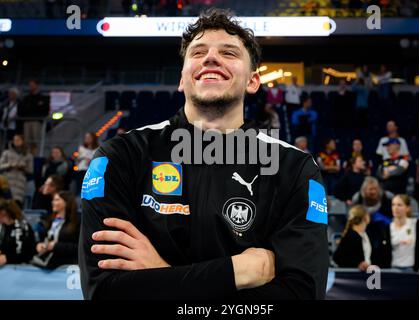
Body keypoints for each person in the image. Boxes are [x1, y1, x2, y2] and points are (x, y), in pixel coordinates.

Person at [79, 8, 329, 300]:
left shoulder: (293, 168)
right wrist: (236, 271)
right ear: (182, 79)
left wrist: (161, 272)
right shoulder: (121, 156)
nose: (211, 58)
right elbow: (104, 292)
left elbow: (302, 294)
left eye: (229, 53)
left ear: (252, 81)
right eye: (198, 52)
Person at [377, 194, 419, 274]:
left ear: (407, 208)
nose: (395, 208)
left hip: (413, 270)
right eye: (393, 205)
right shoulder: (386, 229)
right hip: (392, 270)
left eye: (399, 205)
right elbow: (381, 253)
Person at [32, 191, 79, 268]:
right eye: (53, 200)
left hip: (67, 264)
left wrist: (56, 246)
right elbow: (45, 239)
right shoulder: (51, 220)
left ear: (66, 202)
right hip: (49, 262)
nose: (53, 202)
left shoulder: (77, 221)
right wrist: (40, 245)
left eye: (57, 200)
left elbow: (78, 247)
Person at [333, 205, 373, 271]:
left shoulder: (366, 234)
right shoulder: (350, 236)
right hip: (356, 275)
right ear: (364, 217)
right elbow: (338, 258)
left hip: (368, 274)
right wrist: (357, 264)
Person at [0, 134, 34, 207]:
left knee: (16, 207)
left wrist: (23, 167)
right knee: (4, 205)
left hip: (20, 184)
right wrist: (9, 165)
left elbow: (31, 171)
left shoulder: (28, 155)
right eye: (15, 140)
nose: (16, 141)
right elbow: (0, 166)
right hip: (7, 182)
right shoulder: (6, 153)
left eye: (18, 140)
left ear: (23, 141)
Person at [0, 198, 36, 266]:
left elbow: (28, 253)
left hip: (21, 267)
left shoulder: (23, 227)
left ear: (5, 213)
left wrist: (8, 258)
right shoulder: (2, 227)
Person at [17, 79, 49, 153]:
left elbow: (44, 109)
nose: (31, 87)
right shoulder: (26, 98)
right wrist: (35, 106)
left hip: (37, 121)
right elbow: (22, 109)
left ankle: (37, 156)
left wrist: (32, 107)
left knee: (36, 141)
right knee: (27, 142)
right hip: (27, 121)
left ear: (37, 85)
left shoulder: (43, 98)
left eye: (32, 85)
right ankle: (28, 156)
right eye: (30, 85)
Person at [31, 174, 65, 241]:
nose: (43, 186)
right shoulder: (44, 197)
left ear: (54, 187)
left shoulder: (62, 199)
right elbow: (36, 208)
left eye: (46, 184)